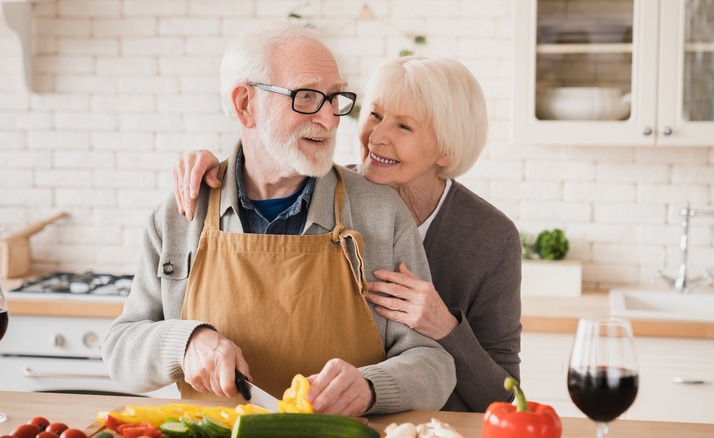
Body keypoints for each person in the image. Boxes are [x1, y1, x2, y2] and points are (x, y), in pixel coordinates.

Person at [102, 23, 455, 417]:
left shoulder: (381, 213)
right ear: (244, 105)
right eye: (306, 97)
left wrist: (372, 387)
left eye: (334, 97)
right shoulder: (181, 214)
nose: (330, 119)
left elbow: (433, 363)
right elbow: (120, 350)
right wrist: (185, 343)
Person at [173, 56, 522, 412]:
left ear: (446, 148)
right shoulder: (324, 191)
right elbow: (265, 162)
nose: (377, 137)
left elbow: (504, 396)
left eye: (404, 127)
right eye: (375, 115)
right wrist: (214, 168)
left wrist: (446, 327)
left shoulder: (493, 238)